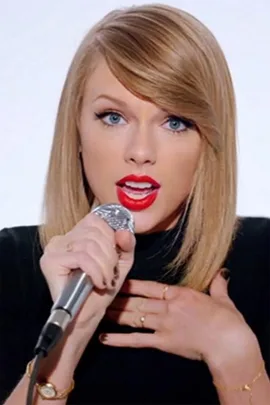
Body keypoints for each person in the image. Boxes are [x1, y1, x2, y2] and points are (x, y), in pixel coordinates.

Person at [0, 3, 269, 405]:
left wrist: (237, 360)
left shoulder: (264, 259)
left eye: (175, 121)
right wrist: (68, 343)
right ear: (76, 128)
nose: (141, 151)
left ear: (208, 139)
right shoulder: (12, 265)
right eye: (113, 117)